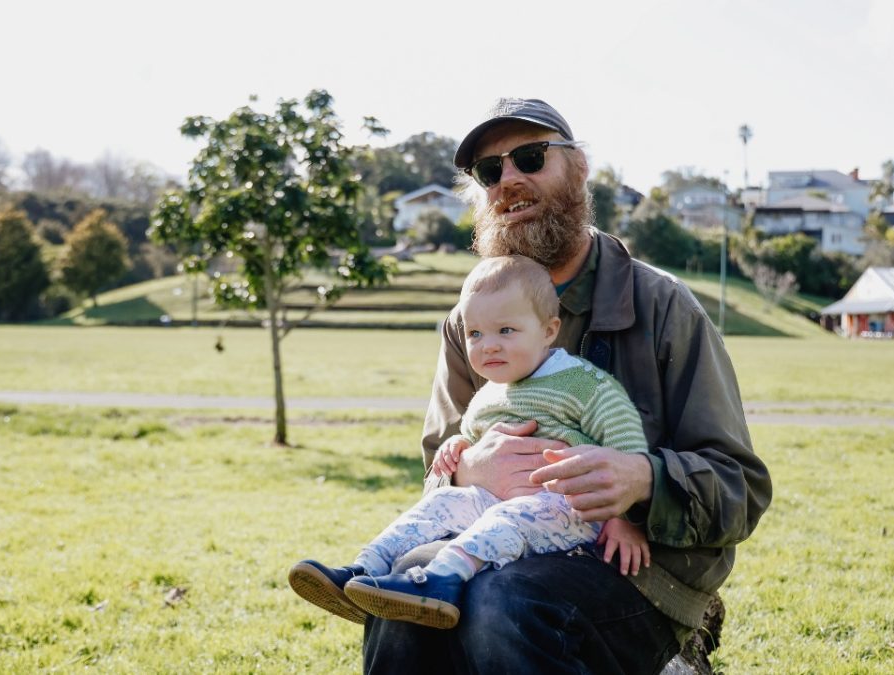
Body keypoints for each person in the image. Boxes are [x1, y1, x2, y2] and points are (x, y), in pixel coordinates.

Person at [361, 98, 772, 674]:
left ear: (578, 168)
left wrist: (644, 479)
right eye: (490, 171)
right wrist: (465, 468)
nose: (509, 180)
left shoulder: (662, 306)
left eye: (530, 157)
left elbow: (741, 488)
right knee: (402, 587)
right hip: (488, 537)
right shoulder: (470, 321)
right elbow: (441, 458)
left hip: (636, 570)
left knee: (504, 602)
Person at [289, 255, 653, 630]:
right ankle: (363, 570)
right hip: (495, 501)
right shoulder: (491, 393)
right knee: (444, 500)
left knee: (504, 517)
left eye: (506, 331)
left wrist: (624, 517)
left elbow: (625, 447)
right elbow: (474, 436)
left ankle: (441, 581)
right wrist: (457, 448)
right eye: (475, 334)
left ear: (549, 330)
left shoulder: (583, 383)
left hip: (568, 509)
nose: (488, 346)